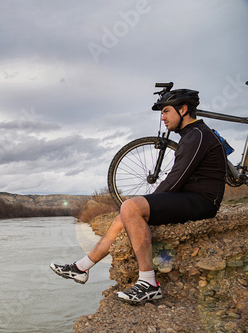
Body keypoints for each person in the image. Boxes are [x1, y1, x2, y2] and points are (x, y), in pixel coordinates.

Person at [50, 89, 228, 303]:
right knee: (124, 215)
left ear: (183, 109)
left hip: (202, 202)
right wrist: (142, 206)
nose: (162, 117)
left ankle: (149, 282)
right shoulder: (192, 135)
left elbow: (176, 179)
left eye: (166, 111)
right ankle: (82, 267)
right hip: (191, 197)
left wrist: (143, 204)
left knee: (130, 208)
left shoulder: (197, 135)